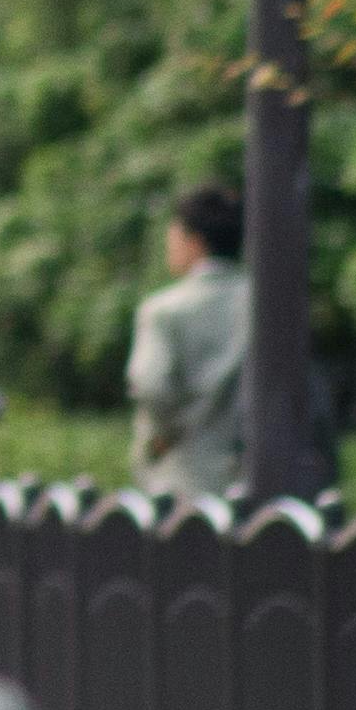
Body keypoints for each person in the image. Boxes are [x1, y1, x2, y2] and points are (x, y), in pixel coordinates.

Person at [134, 176, 259, 500]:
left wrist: (162, 435)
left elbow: (151, 386)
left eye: (173, 236)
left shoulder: (164, 310)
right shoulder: (268, 306)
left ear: (194, 241)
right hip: (263, 479)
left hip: (187, 481)